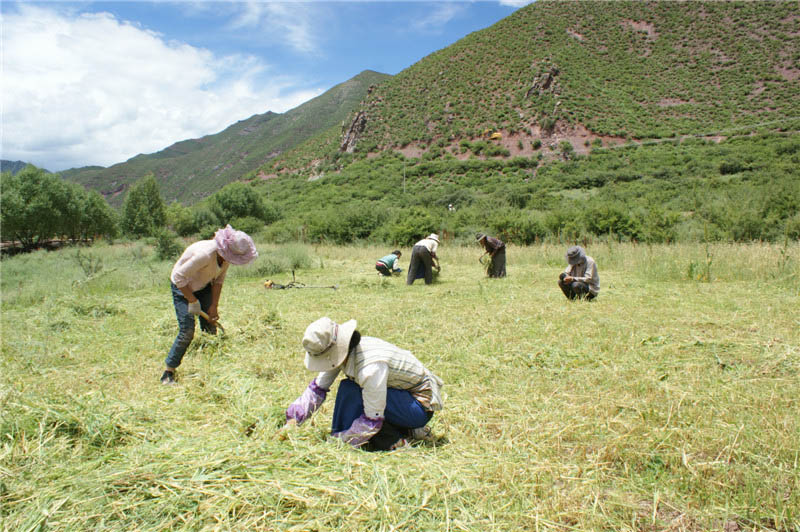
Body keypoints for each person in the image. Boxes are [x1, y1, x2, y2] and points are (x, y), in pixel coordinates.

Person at [282, 317, 444, 451]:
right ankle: (401, 430)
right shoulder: (345, 353)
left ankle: (392, 440)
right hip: (400, 397)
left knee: (352, 391)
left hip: (418, 406)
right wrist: (293, 421)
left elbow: (373, 418)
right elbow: (318, 388)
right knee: (353, 390)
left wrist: (342, 441)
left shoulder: (370, 367)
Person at [161, 225, 258, 384]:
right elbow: (179, 277)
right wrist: (192, 300)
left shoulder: (225, 258)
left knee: (210, 326)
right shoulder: (205, 255)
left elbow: (218, 281)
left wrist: (214, 306)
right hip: (182, 287)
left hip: (203, 285)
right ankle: (168, 371)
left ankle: (210, 366)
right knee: (187, 330)